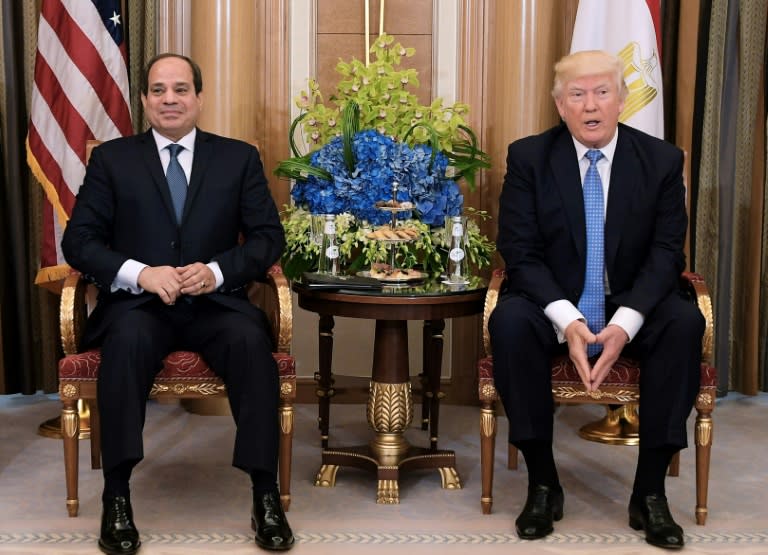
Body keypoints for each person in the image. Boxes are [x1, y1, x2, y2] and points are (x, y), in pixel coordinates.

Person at [62, 53, 293, 554]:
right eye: (159, 90)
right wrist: (140, 273)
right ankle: (117, 496)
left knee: (252, 345)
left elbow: (268, 239)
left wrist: (215, 272)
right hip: (139, 306)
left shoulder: (237, 158)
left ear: (199, 98)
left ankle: (264, 493)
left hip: (216, 304)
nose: (171, 99)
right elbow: (79, 241)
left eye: (181, 89)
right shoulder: (112, 159)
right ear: (144, 100)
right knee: (124, 346)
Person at [489, 50, 703, 550]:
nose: (591, 105)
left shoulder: (662, 161)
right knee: (510, 322)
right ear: (560, 106)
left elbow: (667, 253)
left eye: (602, 92)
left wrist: (624, 323)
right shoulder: (528, 158)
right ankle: (543, 482)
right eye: (577, 94)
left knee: (684, 322)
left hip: (632, 300)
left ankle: (649, 492)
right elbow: (519, 250)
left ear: (622, 100)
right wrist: (567, 320)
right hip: (554, 301)